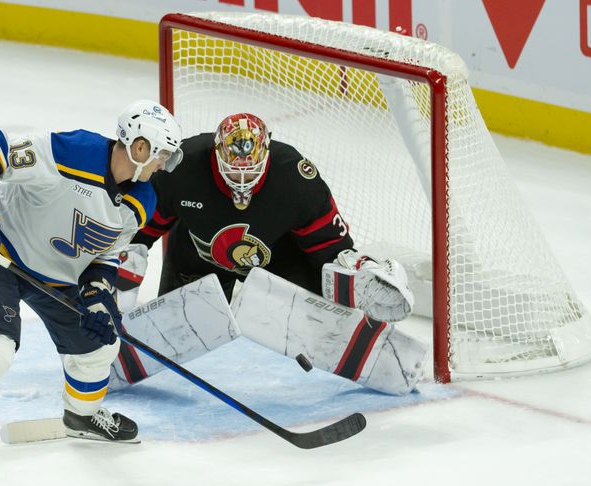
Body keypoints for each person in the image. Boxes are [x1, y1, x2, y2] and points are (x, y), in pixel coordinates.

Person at [0, 100, 183, 486]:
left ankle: (83, 416)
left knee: (99, 348)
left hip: (57, 278)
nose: (163, 164)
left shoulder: (142, 199)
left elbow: (105, 255)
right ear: (139, 146)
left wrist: (97, 296)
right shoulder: (72, 152)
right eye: (161, 154)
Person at [111, 112, 417, 393]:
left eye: (250, 172)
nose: (241, 182)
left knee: (317, 297)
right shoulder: (182, 165)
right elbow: (140, 229)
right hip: (195, 257)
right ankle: (103, 359)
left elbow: (330, 248)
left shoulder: (296, 178)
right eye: (232, 171)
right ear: (215, 154)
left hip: (279, 262)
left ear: (267, 156)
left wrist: (358, 271)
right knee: (173, 327)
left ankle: (359, 344)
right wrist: (119, 263)